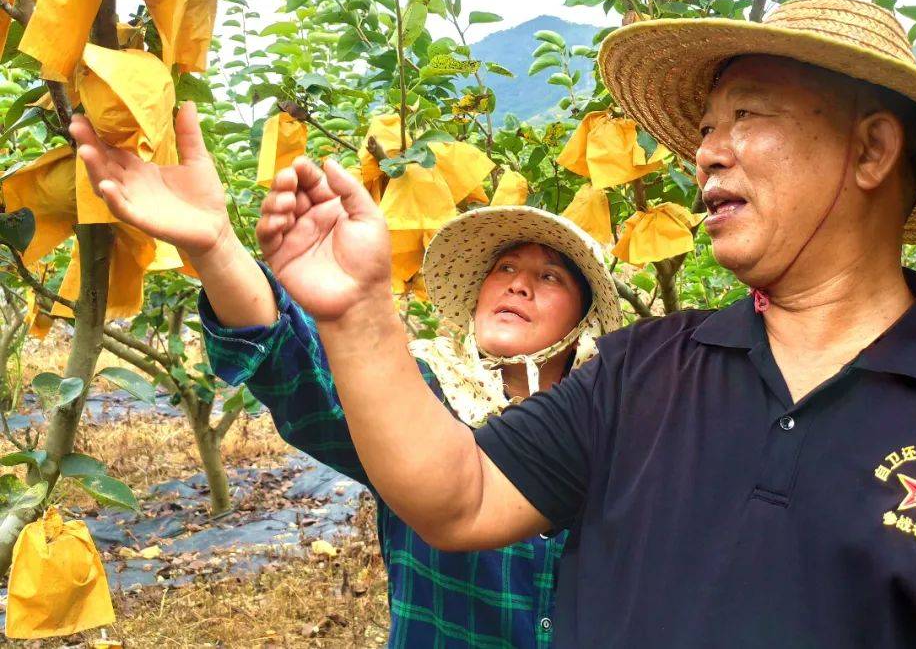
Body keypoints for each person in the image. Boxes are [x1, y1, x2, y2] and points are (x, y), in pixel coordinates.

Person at [75, 0, 916, 647]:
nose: (709, 154)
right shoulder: (645, 372)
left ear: (870, 151)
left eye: (750, 117)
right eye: (705, 127)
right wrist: (352, 306)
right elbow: (455, 497)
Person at [69, 107, 622, 646]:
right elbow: (295, 365)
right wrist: (213, 246)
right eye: (505, 268)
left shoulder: (622, 420)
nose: (517, 286)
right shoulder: (421, 398)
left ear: (583, 319)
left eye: (548, 276)